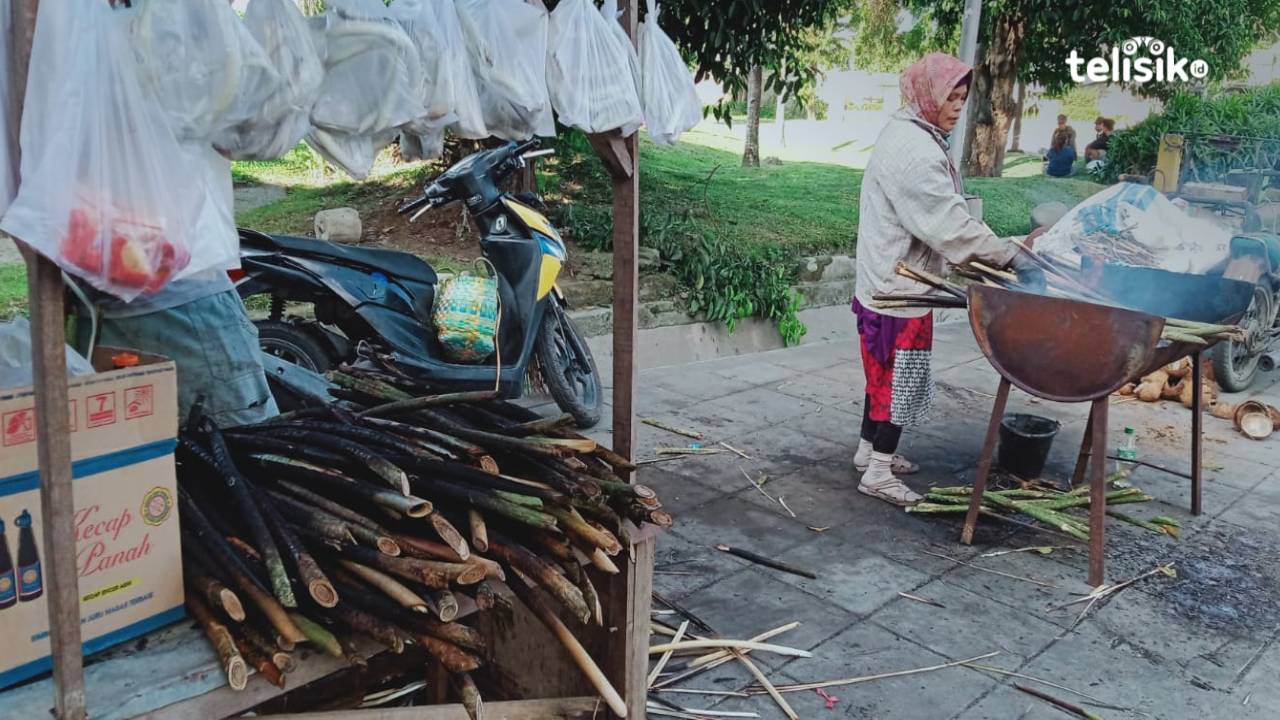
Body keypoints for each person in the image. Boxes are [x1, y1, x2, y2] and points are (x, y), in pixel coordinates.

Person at [852, 52, 1042, 506]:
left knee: (881, 380)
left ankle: (866, 452)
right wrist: (1011, 255)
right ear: (926, 95)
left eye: (962, 97)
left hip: (887, 281)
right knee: (901, 383)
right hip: (901, 292)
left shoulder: (910, 130)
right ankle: (878, 471)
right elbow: (948, 226)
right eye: (950, 98)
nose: (958, 107)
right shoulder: (916, 151)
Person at [72, 148, 278, 428]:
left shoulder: (54, 113)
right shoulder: (171, 106)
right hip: (187, 311)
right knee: (250, 453)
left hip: (89, 317)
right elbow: (259, 137)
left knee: (131, 460)